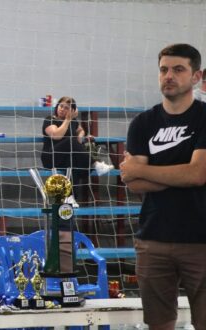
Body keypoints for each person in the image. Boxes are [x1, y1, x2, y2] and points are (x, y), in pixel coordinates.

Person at [121, 43, 206, 330]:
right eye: (163, 70)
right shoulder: (143, 123)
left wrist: (142, 169)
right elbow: (133, 183)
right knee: (158, 324)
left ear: (196, 77)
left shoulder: (205, 117)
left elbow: (197, 174)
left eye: (178, 69)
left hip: (201, 241)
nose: (169, 76)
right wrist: (175, 173)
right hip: (153, 240)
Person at [41, 96, 115, 183]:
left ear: (72, 111)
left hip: (66, 158)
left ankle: (70, 196)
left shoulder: (73, 121)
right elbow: (57, 135)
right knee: (71, 141)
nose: (62, 109)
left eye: (66, 108)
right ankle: (96, 164)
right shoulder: (50, 119)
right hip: (51, 157)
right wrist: (68, 119)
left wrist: (80, 135)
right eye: (61, 106)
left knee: (73, 164)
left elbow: (81, 130)